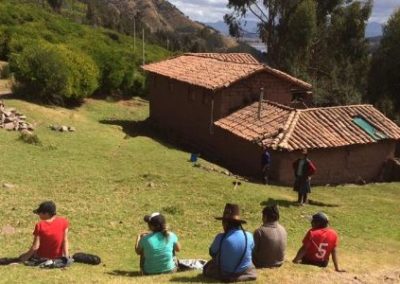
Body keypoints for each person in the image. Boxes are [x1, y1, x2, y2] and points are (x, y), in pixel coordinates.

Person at [203, 203, 257, 282]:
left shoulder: (220, 237)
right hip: (243, 270)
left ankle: (229, 277)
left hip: (224, 272)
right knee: (251, 266)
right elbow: (251, 251)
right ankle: (243, 276)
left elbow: (212, 253)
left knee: (207, 267)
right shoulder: (249, 236)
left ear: (226, 223)